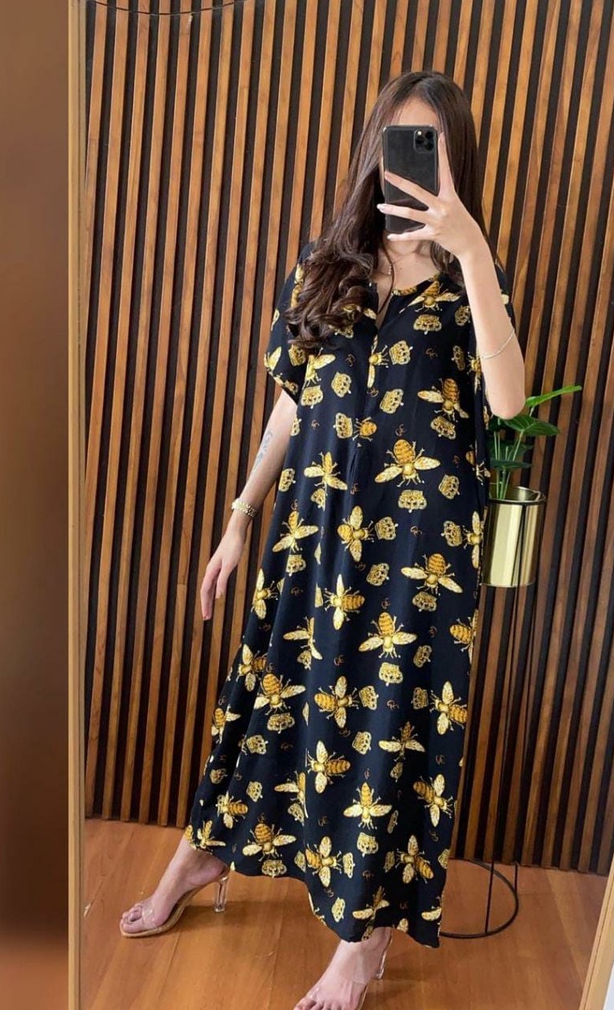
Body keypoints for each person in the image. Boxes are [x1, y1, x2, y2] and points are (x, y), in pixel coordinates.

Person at [119, 69, 526, 1010]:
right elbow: (291, 406)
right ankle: (203, 854)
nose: (412, 164)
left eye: (431, 146)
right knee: (269, 695)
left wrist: (471, 250)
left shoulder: (471, 282)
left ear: (457, 161)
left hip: (418, 562)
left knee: (389, 732)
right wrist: (238, 518)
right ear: (375, 149)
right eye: (399, 142)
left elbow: (507, 405)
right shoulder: (326, 265)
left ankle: (361, 942)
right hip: (314, 539)